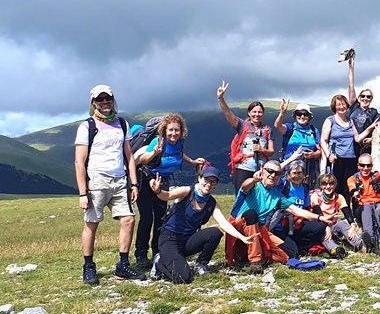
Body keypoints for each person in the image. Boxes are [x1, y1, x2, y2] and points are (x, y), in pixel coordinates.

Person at [74, 84, 145, 285]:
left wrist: (134, 184)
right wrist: (82, 193)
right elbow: (79, 161)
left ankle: (123, 265)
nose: (105, 102)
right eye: (100, 99)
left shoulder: (122, 124)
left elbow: (129, 156)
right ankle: (88, 266)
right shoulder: (87, 127)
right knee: (92, 223)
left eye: (108, 98)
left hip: (120, 179)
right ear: (93, 102)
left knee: (129, 220)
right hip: (97, 180)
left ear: (113, 100)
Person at [148, 166, 253, 283]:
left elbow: (223, 223)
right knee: (184, 278)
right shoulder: (187, 191)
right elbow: (167, 196)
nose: (208, 184)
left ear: (215, 185)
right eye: (206, 180)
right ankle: (159, 262)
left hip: (188, 240)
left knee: (215, 232)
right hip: (170, 239)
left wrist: (242, 237)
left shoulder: (211, 203)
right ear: (199, 178)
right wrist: (158, 191)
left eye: (213, 181)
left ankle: (201, 264)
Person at [226, 160, 334, 273]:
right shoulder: (254, 186)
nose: (273, 175)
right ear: (262, 170)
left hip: (260, 229)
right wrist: (254, 179)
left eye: (277, 173)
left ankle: (257, 255)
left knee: (291, 252)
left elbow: (296, 210)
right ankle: (255, 261)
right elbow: (245, 185)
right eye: (270, 171)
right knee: (251, 214)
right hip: (240, 226)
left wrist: (320, 218)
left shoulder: (277, 195)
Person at [134, 113, 205, 270]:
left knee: (161, 219)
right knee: (147, 218)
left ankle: (157, 252)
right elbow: (143, 160)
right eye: (170, 130)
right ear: (164, 130)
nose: (174, 133)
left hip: (163, 181)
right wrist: (155, 152)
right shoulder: (158, 141)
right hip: (146, 180)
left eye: (177, 130)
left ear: (181, 131)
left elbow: (179, 154)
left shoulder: (179, 142)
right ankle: (141, 255)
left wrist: (192, 162)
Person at [217, 81, 275, 192]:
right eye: (254, 112)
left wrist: (262, 150)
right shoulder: (242, 125)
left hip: (261, 168)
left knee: (259, 197)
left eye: (259, 112)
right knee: (242, 195)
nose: (257, 114)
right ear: (249, 113)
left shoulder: (267, 129)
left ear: (263, 113)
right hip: (243, 168)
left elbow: (271, 152)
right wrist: (221, 99)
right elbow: (228, 114)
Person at [320, 94, 379, 200]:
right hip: (336, 158)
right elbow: (323, 140)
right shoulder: (330, 120)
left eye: (343, 104)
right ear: (334, 107)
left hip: (351, 157)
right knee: (335, 184)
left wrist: (370, 128)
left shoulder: (350, 121)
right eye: (338, 105)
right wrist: (329, 155)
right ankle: (334, 205)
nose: (341, 107)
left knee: (349, 185)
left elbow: (357, 138)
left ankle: (346, 206)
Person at [347, 153, 380, 252]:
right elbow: (351, 186)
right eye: (362, 165)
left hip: (376, 203)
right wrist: (355, 193)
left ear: (372, 166)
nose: (365, 168)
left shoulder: (375, 176)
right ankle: (369, 236)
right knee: (367, 206)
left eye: (368, 165)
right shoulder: (353, 178)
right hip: (361, 207)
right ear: (358, 166)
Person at [310, 174, 364, 257]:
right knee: (324, 234)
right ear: (320, 185)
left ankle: (361, 245)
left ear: (335, 185)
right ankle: (336, 250)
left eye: (331, 184)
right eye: (324, 184)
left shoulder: (339, 197)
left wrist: (353, 226)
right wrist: (325, 227)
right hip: (320, 225)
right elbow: (317, 212)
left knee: (342, 224)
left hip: (334, 224)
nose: (328, 186)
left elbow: (347, 212)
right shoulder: (316, 196)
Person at [274, 101, 322, 188]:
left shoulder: (314, 131)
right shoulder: (290, 128)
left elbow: (321, 149)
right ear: (295, 116)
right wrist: (282, 113)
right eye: (299, 114)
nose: (302, 116)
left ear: (309, 117)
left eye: (305, 114)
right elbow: (277, 126)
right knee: (288, 192)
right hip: (290, 169)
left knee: (307, 191)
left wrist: (314, 154)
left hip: (309, 170)